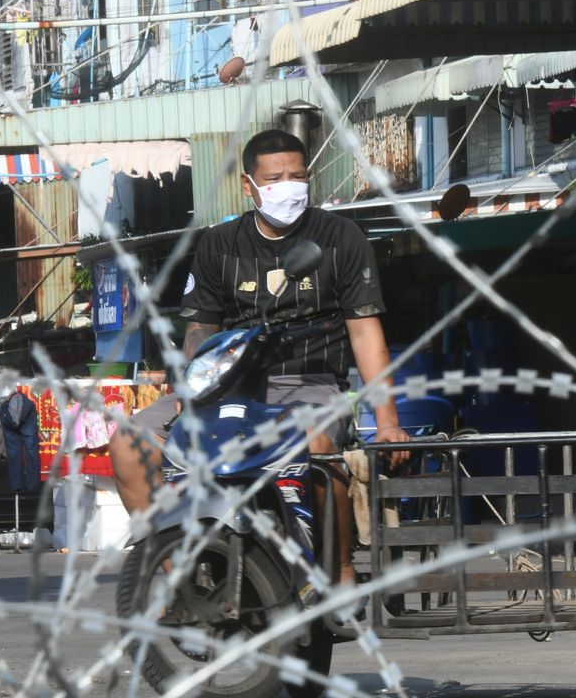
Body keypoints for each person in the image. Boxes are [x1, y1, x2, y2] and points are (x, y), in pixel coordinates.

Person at [109, 129, 410, 584]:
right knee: (128, 444)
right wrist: (195, 379)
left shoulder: (340, 238)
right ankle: (178, 572)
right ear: (249, 186)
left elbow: (366, 332)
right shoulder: (218, 243)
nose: (288, 185)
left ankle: (340, 568)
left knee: (318, 448)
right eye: (274, 179)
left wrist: (387, 421)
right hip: (226, 388)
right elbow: (199, 327)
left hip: (308, 385)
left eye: (297, 175)